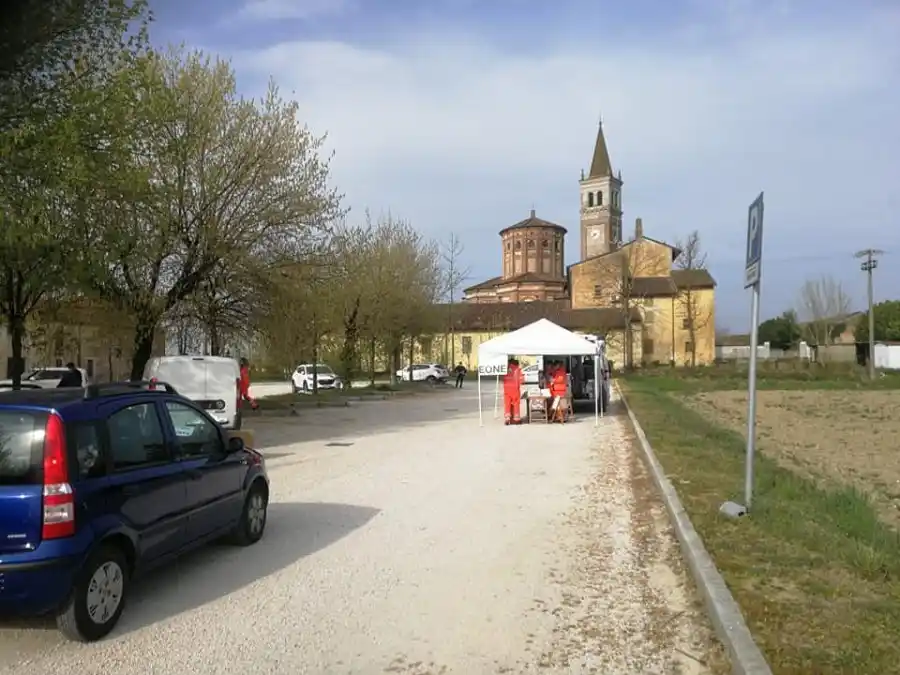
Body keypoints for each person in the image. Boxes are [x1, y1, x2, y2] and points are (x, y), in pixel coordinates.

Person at [502, 358, 524, 425]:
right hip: (515, 389)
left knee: (507, 404)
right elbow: (522, 381)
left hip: (506, 389)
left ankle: (507, 418)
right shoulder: (518, 369)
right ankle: (516, 419)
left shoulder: (505, 369)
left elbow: (502, 378)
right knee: (516, 403)